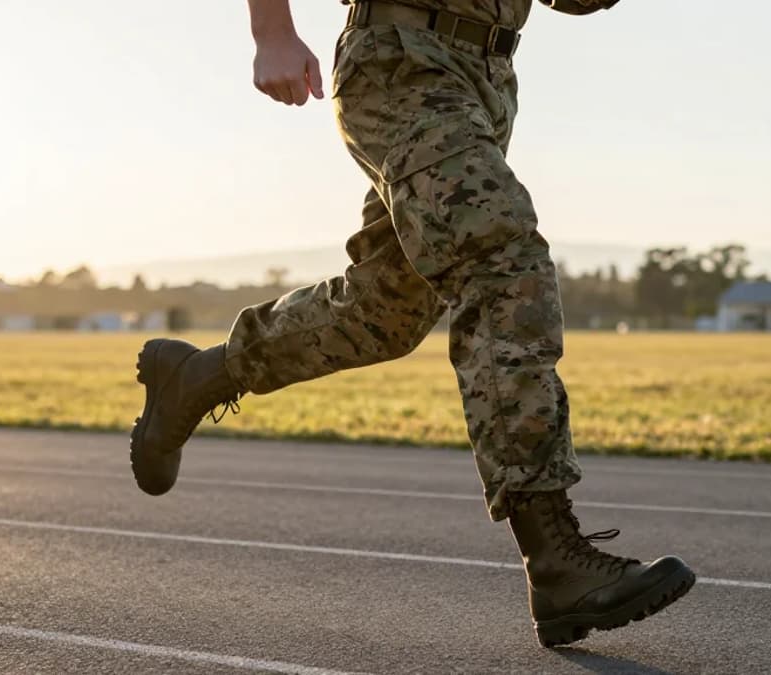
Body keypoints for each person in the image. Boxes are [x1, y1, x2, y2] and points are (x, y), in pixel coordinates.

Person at [129, 0, 694, 647]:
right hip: (402, 57)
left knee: (385, 309)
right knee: (501, 262)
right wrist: (272, 31)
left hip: (484, 79)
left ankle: (196, 374)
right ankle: (554, 555)